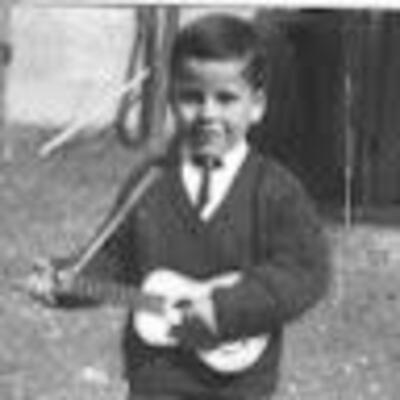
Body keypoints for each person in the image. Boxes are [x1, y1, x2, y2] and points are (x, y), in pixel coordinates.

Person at [27, 13, 330, 400]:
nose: (208, 114)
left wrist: (226, 310)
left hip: (239, 387)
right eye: (192, 97)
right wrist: (65, 281)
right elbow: (113, 261)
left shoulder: (275, 191)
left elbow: (305, 271)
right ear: (171, 99)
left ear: (256, 106)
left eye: (226, 99)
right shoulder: (150, 182)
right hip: (157, 379)